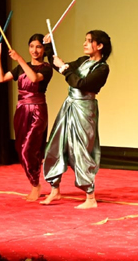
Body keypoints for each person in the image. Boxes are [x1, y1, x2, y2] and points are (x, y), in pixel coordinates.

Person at [41, 30, 111, 209]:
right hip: (69, 106)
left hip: (84, 110)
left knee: (81, 149)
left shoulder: (102, 68)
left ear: (100, 46)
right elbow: (61, 68)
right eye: (85, 40)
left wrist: (64, 68)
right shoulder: (83, 61)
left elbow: (80, 83)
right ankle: (54, 189)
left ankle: (90, 197)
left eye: (89, 41)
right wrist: (49, 48)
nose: (85, 44)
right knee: (56, 144)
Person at [0, 34, 53, 201]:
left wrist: (18, 58)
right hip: (21, 110)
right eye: (32, 46)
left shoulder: (46, 68)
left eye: (39, 47)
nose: (35, 50)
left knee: (30, 149)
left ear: (44, 49)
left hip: (37, 111)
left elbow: (34, 78)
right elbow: (0, 78)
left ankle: (35, 185)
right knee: (21, 149)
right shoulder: (21, 67)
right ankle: (34, 182)